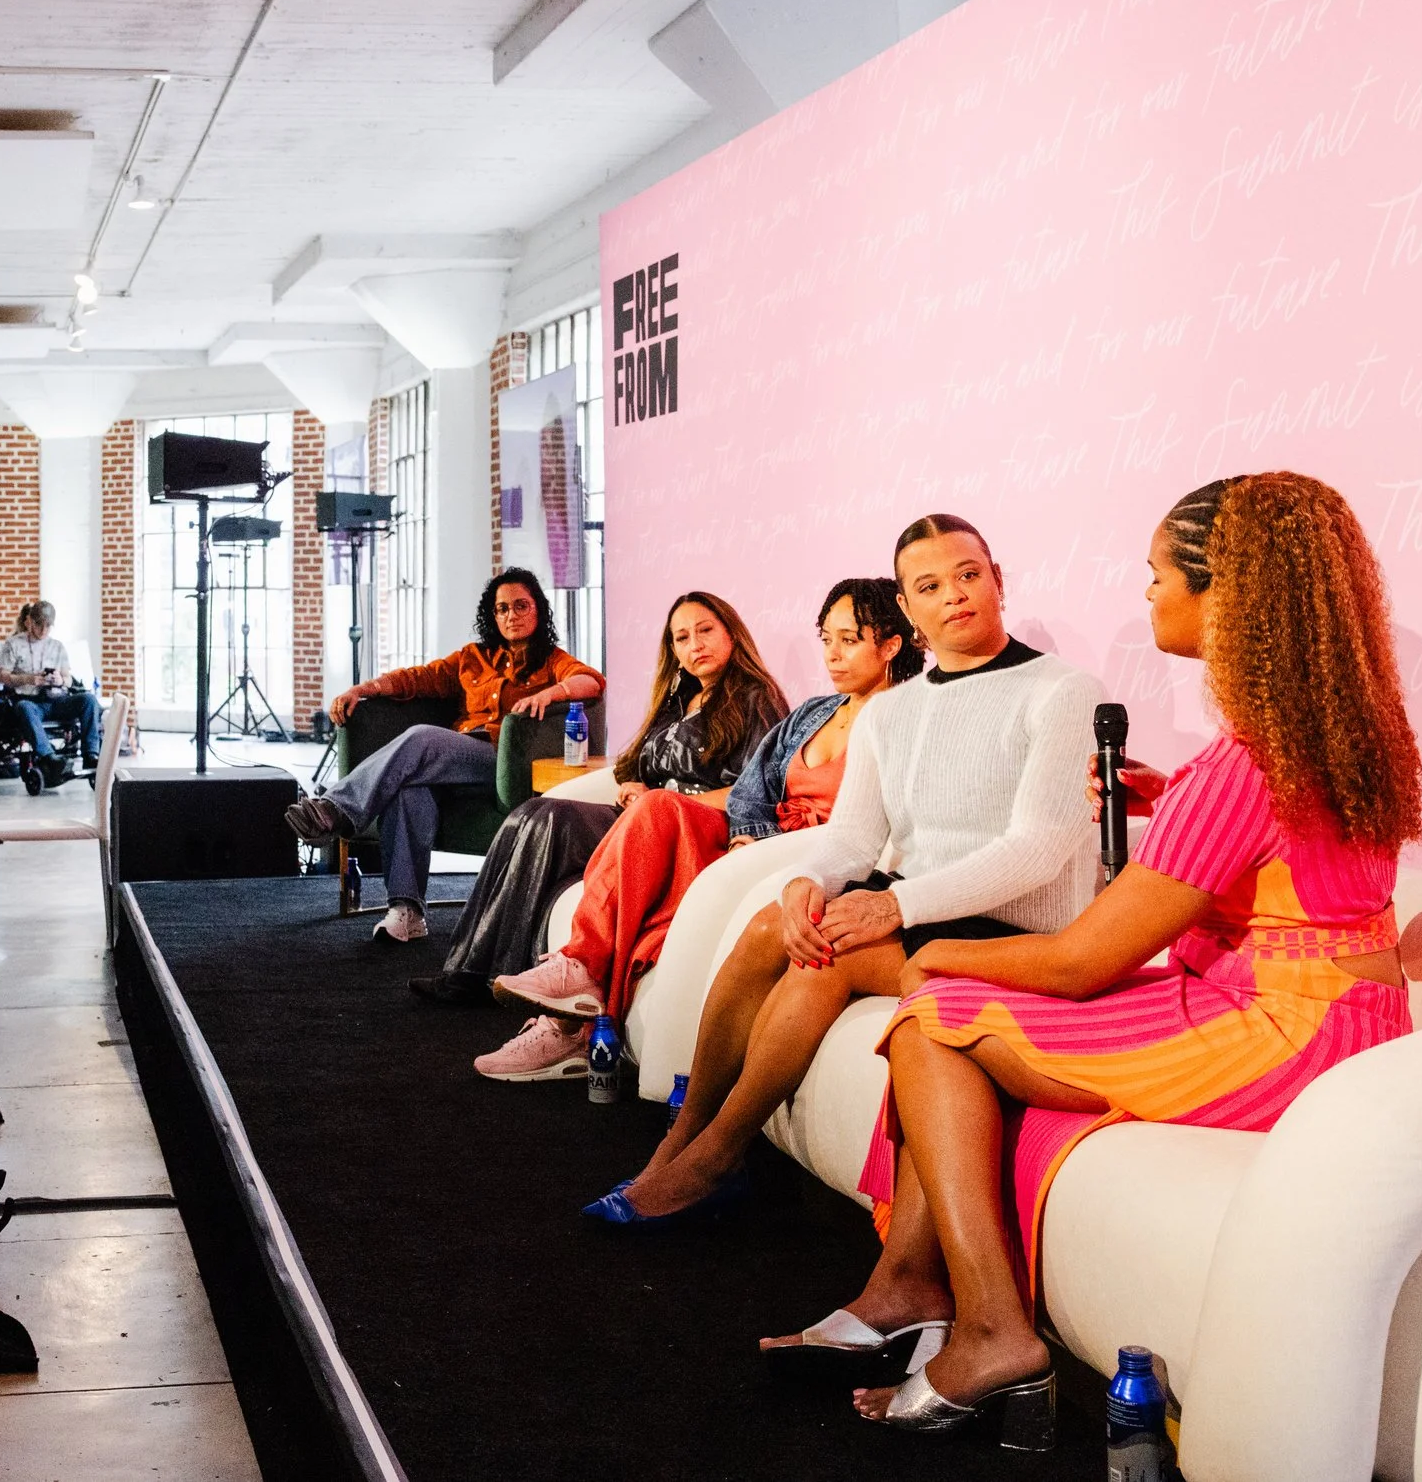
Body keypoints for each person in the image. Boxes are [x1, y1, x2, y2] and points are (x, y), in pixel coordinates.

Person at [772, 477, 1422, 1440]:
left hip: (1287, 1036)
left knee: (934, 1011)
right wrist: (1168, 798)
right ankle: (911, 1286)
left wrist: (928, 943)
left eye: (1158, 575)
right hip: (1342, 1017)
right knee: (946, 1007)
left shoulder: (1242, 765)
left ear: (1227, 593)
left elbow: (1081, 959)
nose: (1147, 593)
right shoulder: (1325, 730)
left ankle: (988, 1324)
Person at [592, 516, 1101, 1226]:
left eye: (969, 574)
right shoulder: (893, 711)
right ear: (908, 607)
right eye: (930, 585)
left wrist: (895, 908)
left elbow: (1038, 848)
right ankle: (687, 1135)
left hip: (1012, 924)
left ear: (997, 580)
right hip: (925, 905)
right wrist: (807, 880)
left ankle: (714, 1158)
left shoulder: (1063, 689)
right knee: (775, 919)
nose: (955, 594)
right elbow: (856, 835)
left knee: (827, 958)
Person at [469, 584, 923, 1084]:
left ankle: (573, 1016)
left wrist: (756, 843)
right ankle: (576, 980)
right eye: (826, 639)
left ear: (891, 646)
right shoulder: (817, 712)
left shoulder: (908, 719)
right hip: (753, 836)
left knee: (649, 826)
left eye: (849, 640)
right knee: (645, 809)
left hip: (811, 854)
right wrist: (745, 835)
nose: (832, 655)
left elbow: (881, 822)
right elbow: (754, 785)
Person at [408, 589, 787, 1013]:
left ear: (731, 634)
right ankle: (468, 968)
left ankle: (484, 975)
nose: (694, 645)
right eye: (682, 638)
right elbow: (632, 763)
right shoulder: (677, 697)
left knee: (550, 824)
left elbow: (756, 792)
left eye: (705, 631)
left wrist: (663, 799)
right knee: (531, 813)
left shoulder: (755, 698)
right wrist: (631, 787)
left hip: (690, 828)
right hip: (641, 817)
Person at [286, 568, 605, 945]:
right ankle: (407, 911)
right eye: (502, 609)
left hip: (500, 761)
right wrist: (363, 688)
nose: (511, 615)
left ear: (538, 610)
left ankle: (337, 808)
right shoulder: (473, 659)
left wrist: (549, 694)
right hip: (453, 759)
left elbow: (591, 680)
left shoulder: (552, 660)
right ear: (493, 615)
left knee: (421, 738)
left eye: (521, 606)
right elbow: (416, 678)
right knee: (409, 790)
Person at [0, 599, 103, 781]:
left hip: (56, 699)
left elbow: (68, 679)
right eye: (39, 625)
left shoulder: (57, 647)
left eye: (48, 626)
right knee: (25, 708)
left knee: (88, 699)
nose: (43, 630)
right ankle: (48, 757)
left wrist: (60, 680)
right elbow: (1, 676)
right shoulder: (13, 644)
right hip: (29, 700)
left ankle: (91, 755)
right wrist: (29, 678)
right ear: (30, 621)